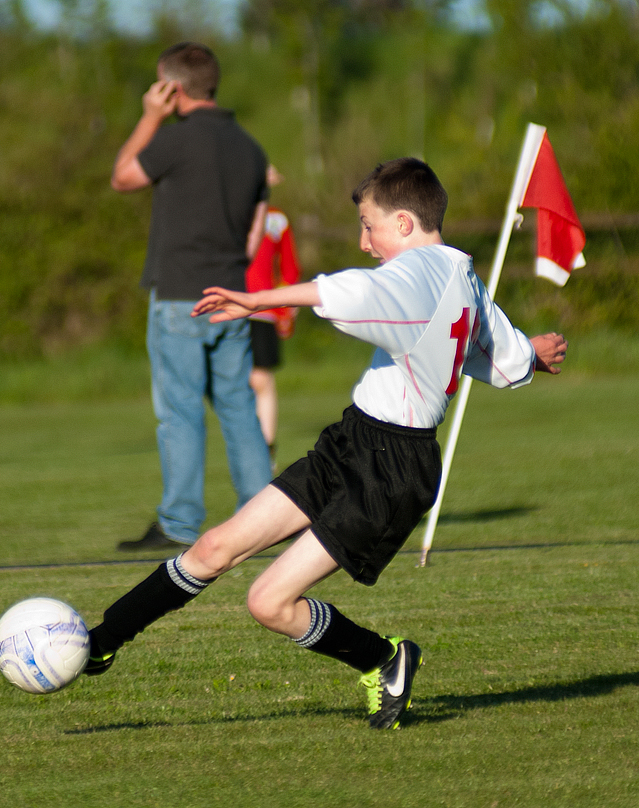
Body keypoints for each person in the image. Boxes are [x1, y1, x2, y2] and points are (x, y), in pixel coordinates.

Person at [85, 157, 568, 730]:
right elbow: (503, 357)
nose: (365, 242)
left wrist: (257, 299)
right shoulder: (461, 274)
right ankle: (99, 642)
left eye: (370, 226)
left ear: (407, 224)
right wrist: (531, 353)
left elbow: (353, 291)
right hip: (351, 440)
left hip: (392, 470)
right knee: (214, 547)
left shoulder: (414, 275)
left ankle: (384, 659)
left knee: (269, 603)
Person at [111, 42, 273, 551]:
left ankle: (179, 523)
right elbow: (254, 233)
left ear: (172, 88)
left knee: (180, 411)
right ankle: (263, 517)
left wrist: (149, 117)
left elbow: (123, 177)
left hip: (181, 294)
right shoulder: (251, 148)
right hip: (234, 295)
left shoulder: (176, 141)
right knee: (239, 407)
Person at [246, 165, 302, 470]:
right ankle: (246, 446)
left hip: (262, 309)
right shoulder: (225, 211)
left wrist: (285, 308)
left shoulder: (276, 219)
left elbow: (290, 267)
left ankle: (265, 449)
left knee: (260, 379)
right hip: (225, 307)